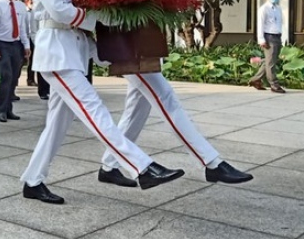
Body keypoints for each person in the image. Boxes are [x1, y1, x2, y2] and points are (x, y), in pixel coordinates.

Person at [20, 0, 184, 205]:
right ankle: (141, 166)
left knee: (57, 124)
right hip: (56, 51)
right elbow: (61, 11)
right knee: (94, 112)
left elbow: (86, 9)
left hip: (75, 50)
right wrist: (103, 19)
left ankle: (33, 180)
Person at [98, 73, 253, 187]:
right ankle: (212, 163)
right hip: (128, 47)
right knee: (166, 98)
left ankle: (109, 165)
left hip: (138, 46)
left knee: (137, 106)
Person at [0, 0, 30, 123]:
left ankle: (9, 108)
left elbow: (23, 28)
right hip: (2, 44)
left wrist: (26, 46)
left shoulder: (20, 6)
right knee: (6, 75)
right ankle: (2, 110)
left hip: (16, 44)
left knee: (14, 77)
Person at [249, 0, 285, 93]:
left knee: (270, 61)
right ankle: (274, 85)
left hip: (277, 36)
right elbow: (260, 25)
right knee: (271, 63)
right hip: (269, 37)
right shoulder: (264, 9)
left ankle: (255, 80)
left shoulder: (278, 8)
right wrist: (261, 40)